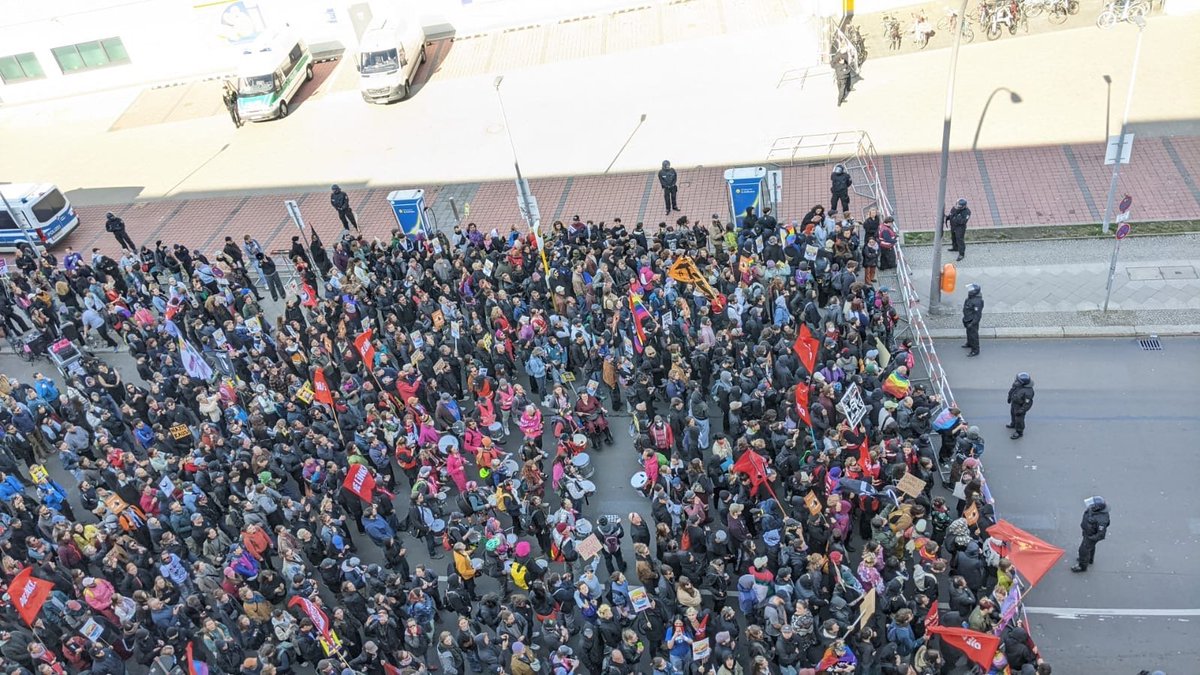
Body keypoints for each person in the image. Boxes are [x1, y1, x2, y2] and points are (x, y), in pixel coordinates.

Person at [1071, 497, 1110, 572]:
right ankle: (1089, 560)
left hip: (1090, 536)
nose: (1090, 505)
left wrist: (1091, 538)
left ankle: (1082, 566)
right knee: (1090, 547)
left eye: (1093, 505)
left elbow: (1101, 534)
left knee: (1083, 550)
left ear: (1097, 507)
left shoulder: (1102, 520)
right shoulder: (1094, 510)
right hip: (1088, 533)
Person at [1006, 372, 1035, 439]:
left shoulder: (1028, 392)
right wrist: (1009, 397)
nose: (1015, 381)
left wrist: (1022, 410)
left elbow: (1027, 403)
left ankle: (1019, 432)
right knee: (1013, 414)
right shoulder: (1017, 385)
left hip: (1020, 406)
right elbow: (1012, 390)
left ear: (1022, 383)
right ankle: (1013, 423)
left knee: (1019, 419)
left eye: (1017, 380)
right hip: (1014, 403)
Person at [962, 283, 984, 357]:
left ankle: (975, 350)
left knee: (973, 335)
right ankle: (969, 343)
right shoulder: (970, 298)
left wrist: (973, 323)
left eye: (971, 290)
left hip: (972, 321)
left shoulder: (977, 302)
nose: (969, 291)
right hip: (967, 319)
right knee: (969, 333)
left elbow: (977, 315)